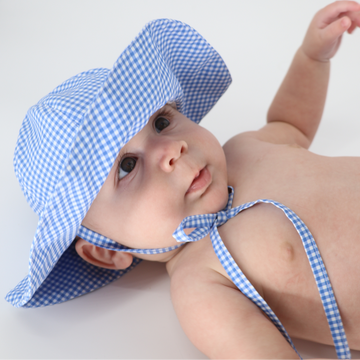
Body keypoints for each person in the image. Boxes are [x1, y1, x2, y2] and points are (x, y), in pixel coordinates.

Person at [6, 1, 360, 359]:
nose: (172, 149)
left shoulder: (244, 148)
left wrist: (312, 58)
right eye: (127, 167)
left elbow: (291, 125)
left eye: (161, 122)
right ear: (107, 250)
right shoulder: (201, 283)